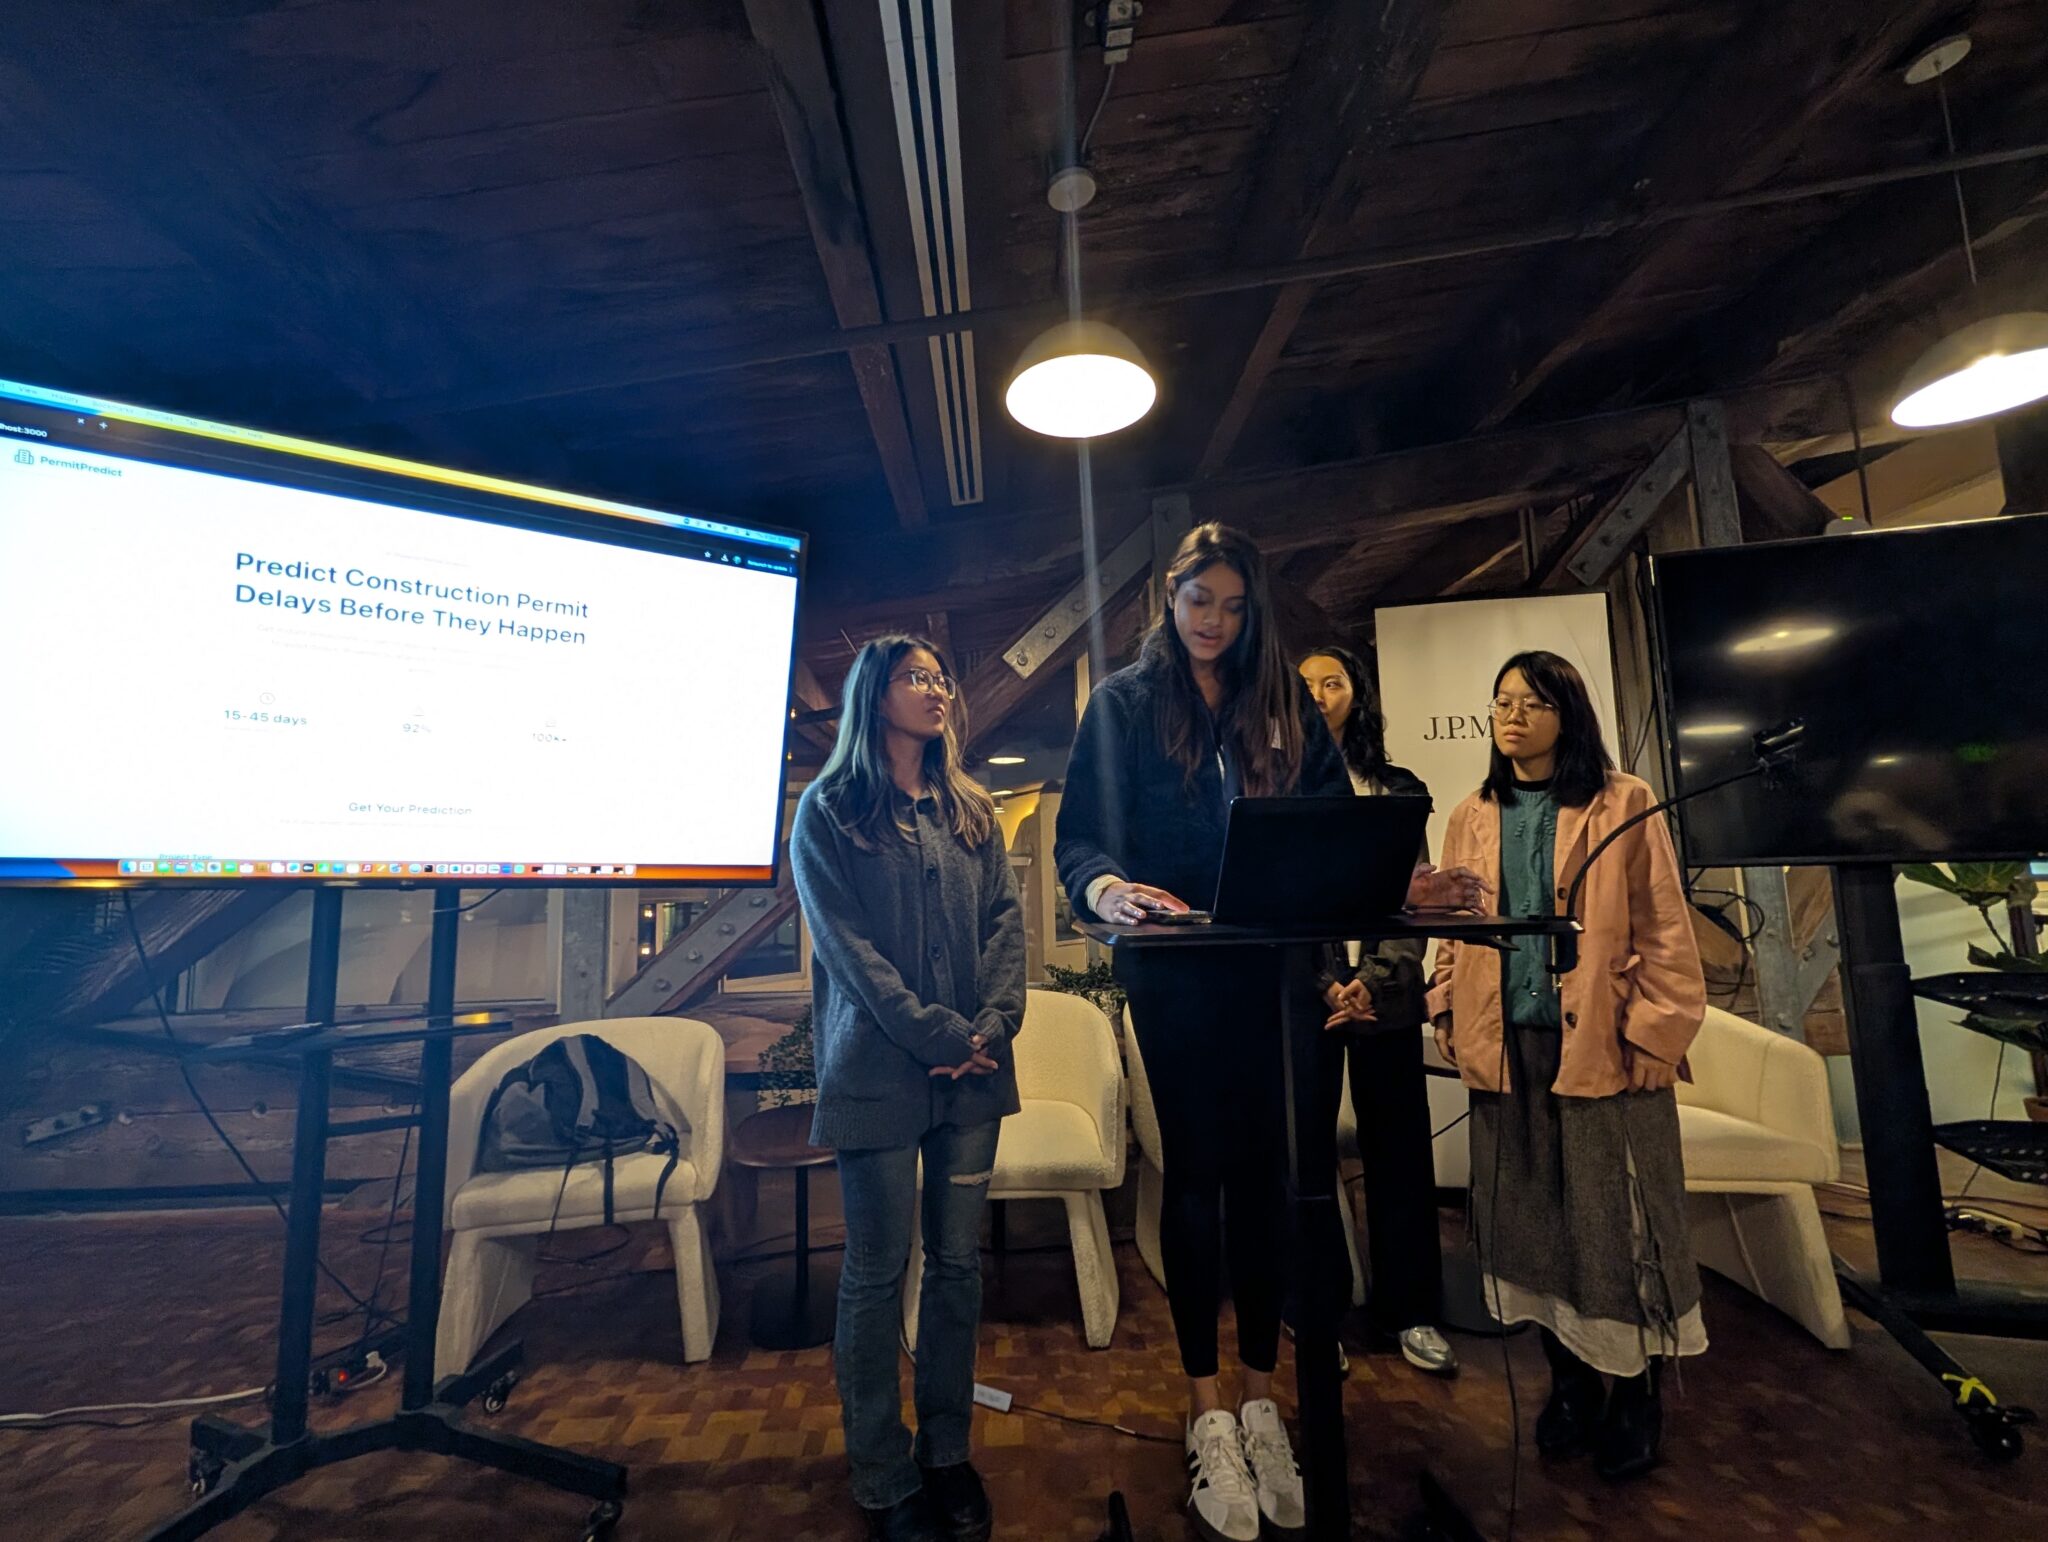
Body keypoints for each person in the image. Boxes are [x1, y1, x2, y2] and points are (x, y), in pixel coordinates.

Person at [1056, 524, 1483, 1542]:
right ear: (1167, 598)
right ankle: (1205, 1412)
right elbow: (1078, 838)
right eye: (1196, 599)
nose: (1211, 621)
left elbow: (1336, 829)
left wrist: (1402, 881)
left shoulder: (1285, 704)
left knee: (1273, 1188)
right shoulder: (1119, 704)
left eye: (1230, 605)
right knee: (1197, 1185)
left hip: (1280, 976)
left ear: (1253, 609)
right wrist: (1107, 888)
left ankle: (1259, 1400)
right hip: (1175, 979)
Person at [1429, 650, 1707, 1482]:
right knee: (1531, 1225)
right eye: (1500, 702)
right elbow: (1450, 928)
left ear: (1567, 713)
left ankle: (1639, 1393)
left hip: (1604, 1048)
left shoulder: (1624, 802)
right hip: (1504, 1048)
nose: (1510, 716)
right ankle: (1572, 1385)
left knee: (1617, 1225)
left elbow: (1664, 926)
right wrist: (1446, 1003)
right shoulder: (1470, 811)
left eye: (1530, 702)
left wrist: (1658, 1034)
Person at [790, 635, 1026, 1542]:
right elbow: (848, 952)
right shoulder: (829, 808)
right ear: (872, 695)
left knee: (959, 1267)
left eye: (941, 676)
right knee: (877, 1273)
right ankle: (884, 1473)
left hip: (974, 1078)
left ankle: (946, 1453)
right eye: (914, 677)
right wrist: (938, 1033)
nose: (935, 689)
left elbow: (1008, 923)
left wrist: (993, 1026)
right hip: (878, 1076)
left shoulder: (973, 808)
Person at [1296, 644, 1458, 1379]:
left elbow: (1414, 898)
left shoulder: (1396, 788)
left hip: (1386, 998)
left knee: (1400, 1154)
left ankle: (1413, 1310)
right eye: (1307, 685)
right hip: (1309, 1002)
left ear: (1357, 695)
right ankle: (1317, 1313)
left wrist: (1375, 981)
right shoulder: (1280, 785)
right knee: (1305, 1160)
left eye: (1335, 682)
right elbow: (1282, 905)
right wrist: (1327, 983)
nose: (1322, 693)